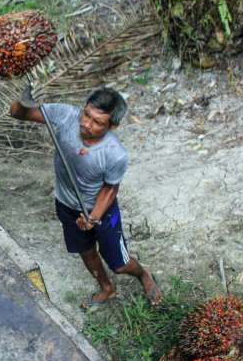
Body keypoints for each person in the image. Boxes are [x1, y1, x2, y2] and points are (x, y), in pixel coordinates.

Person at [9, 85, 162, 307]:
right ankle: (107, 288)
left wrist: (94, 217)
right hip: (66, 205)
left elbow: (110, 189)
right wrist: (23, 98)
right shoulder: (67, 115)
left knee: (119, 264)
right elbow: (17, 113)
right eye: (86, 114)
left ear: (113, 126)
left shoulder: (115, 154)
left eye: (97, 122)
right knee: (86, 252)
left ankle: (143, 274)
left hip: (101, 211)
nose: (86, 124)